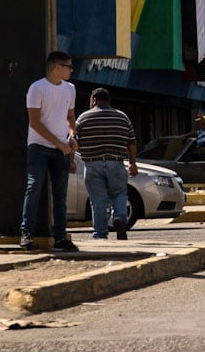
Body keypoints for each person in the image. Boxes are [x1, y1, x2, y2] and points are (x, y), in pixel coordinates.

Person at [21, 50, 78, 252]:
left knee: (60, 195)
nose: (72, 70)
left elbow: (70, 116)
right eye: (68, 67)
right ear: (57, 68)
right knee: (34, 187)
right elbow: (35, 123)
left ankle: (61, 237)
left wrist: (72, 136)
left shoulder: (70, 89)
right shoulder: (37, 88)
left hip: (62, 148)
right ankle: (26, 234)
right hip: (38, 147)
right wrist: (59, 143)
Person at [74, 87, 139, 240]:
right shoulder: (123, 117)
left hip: (92, 164)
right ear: (108, 100)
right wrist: (133, 163)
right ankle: (120, 218)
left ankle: (100, 233)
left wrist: (71, 160)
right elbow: (132, 142)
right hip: (116, 163)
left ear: (94, 100)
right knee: (119, 194)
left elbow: (74, 141)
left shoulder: (83, 118)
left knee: (98, 200)